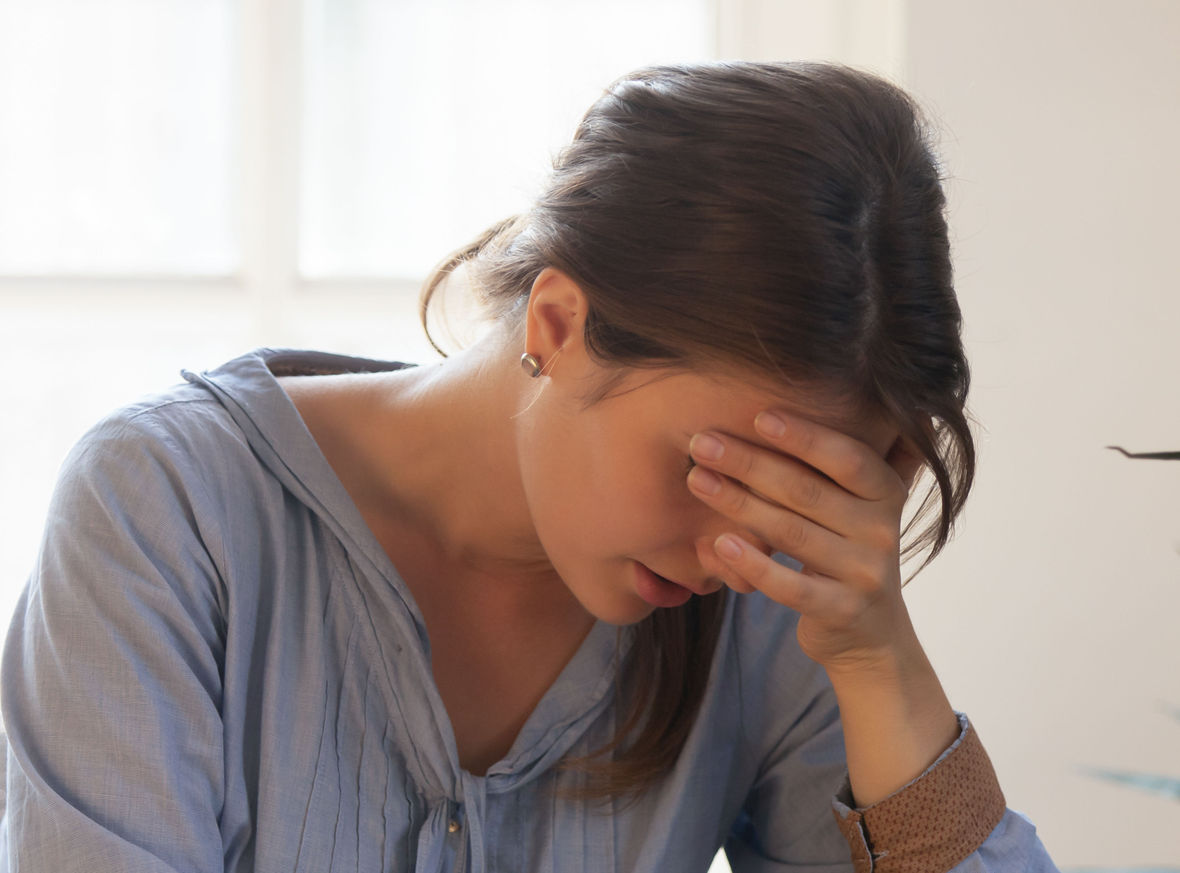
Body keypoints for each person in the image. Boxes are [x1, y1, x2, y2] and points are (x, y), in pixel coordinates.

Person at [0, 62, 1057, 872]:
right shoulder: (168, 510)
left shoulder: (767, 584)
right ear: (556, 322)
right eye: (710, 468)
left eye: (795, 495)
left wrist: (878, 660)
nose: (731, 544)